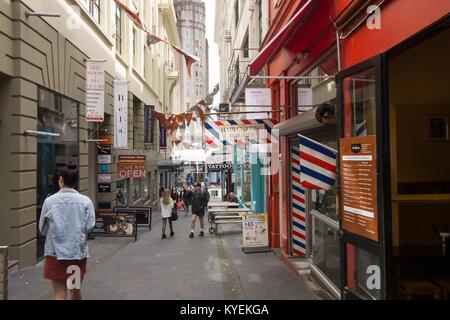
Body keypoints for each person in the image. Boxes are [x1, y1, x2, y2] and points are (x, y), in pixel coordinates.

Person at [38, 163, 95, 300]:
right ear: (76, 182)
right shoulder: (85, 201)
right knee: (74, 291)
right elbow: (89, 227)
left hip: (55, 254)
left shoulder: (49, 201)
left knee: (59, 294)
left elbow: (43, 229)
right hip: (76, 254)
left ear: (61, 180)